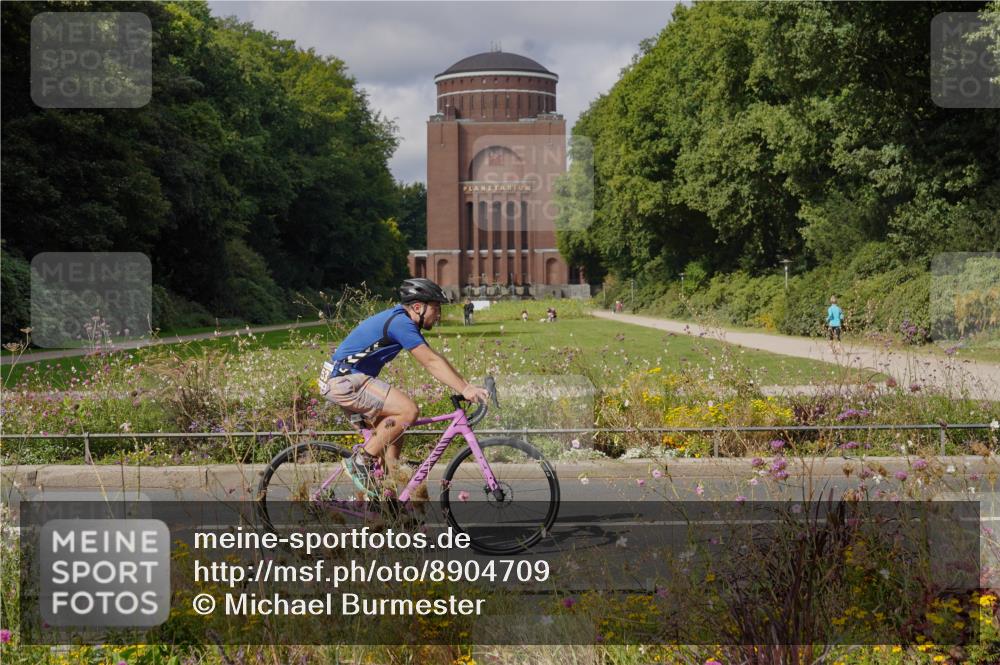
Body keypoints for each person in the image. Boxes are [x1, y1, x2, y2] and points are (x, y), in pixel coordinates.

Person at [319, 278, 490, 495]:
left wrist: (466, 385)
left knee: (395, 434)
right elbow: (430, 362)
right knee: (408, 411)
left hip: (345, 379)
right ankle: (360, 462)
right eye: (436, 308)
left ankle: (387, 499)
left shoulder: (399, 319)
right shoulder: (402, 323)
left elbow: (435, 358)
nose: (438, 315)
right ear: (418, 307)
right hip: (345, 380)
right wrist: (465, 390)